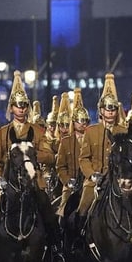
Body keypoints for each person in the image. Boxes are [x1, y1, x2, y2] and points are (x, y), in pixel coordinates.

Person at [0, 71, 65, 262]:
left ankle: (57, 251)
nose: (21, 109)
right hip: (9, 182)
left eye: (24, 105)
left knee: (48, 212)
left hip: (34, 180)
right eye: (17, 105)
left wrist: (28, 156)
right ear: (12, 107)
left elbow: (49, 157)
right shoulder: (2, 132)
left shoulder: (38, 131)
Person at [77, 73, 129, 223]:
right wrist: (92, 174)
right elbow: (84, 158)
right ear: (101, 111)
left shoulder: (123, 131)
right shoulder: (91, 131)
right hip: (96, 181)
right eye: (107, 108)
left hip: (119, 180)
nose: (111, 111)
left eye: (113, 108)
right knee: (83, 209)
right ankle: (78, 241)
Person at [55, 88, 88, 218]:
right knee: (62, 211)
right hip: (71, 185)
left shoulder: (91, 139)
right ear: (73, 122)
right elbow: (60, 166)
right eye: (80, 121)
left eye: (85, 121)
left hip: (89, 182)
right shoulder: (65, 141)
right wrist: (68, 181)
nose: (83, 124)